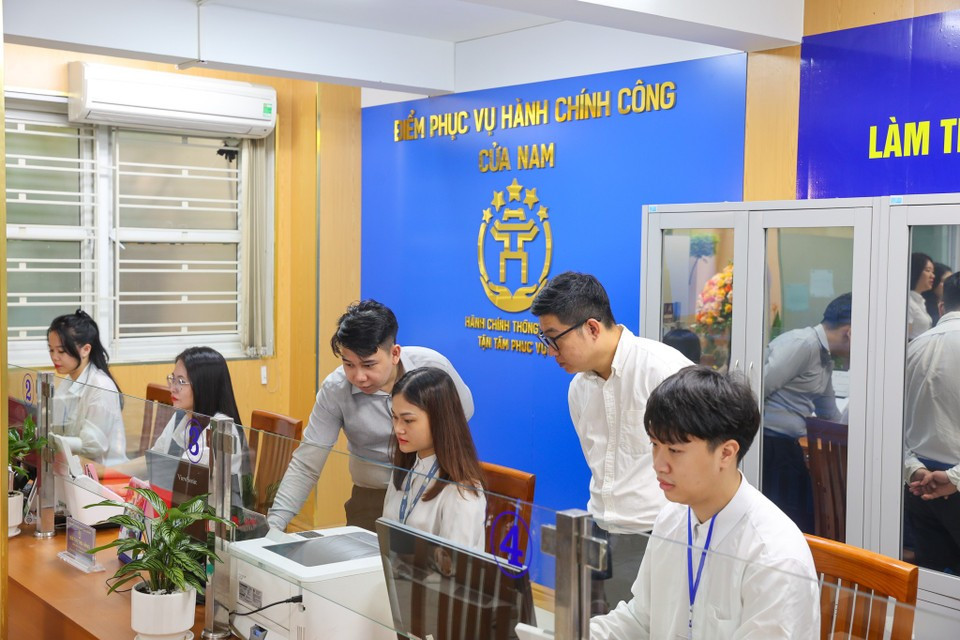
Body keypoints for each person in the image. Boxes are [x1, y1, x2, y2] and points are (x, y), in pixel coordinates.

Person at [590, 367, 820, 640]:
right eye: (654, 445)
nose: (658, 464)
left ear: (726, 452)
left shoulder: (774, 555)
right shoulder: (672, 517)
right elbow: (641, 619)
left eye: (674, 450)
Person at [531, 272, 693, 611]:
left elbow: (702, 461)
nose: (550, 352)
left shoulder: (663, 372)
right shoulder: (578, 388)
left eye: (553, 339)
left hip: (657, 535)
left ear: (591, 327)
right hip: (598, 530)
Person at [268, 300, 473, 532]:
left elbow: (460, 419)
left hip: (434, 491)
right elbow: (307, 463)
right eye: (348, 364)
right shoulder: (336, 389)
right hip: (371, 496)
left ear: (395, 353)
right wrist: (274, 526)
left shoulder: (433, 368)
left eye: (368, 364)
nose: (359, 376)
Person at [761, 293, 851, 533]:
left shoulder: (824, 357)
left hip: (785, 445)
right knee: (792, 520)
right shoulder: (804, 344)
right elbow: (757, 386)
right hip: (769, 445)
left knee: (803, 516)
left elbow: (828, 411)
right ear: (850, 332)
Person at [382, 367, 486, 550]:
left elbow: (453, 570)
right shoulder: (406, 467)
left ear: (440, 420)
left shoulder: (463, 492)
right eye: (395, 417)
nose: (398, 428)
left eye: (408, 420)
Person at [903, 272, 960, 573]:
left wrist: (914, 468)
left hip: (919, 484)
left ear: (941, 307)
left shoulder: (911, 348)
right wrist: (953, 478)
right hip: (951, 481)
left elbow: (891, 425)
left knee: (930, 587)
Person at [147, 346, 252, 505]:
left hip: (216, 522)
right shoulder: (182, 416)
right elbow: (156, 458)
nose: (172, 387)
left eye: (181, 381)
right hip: (185, 510)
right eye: (172, 379)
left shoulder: (222, 429)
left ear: (204, 385)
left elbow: (184, 476)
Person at [48, 309, 127, 466]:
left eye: (61, 351)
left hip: (104, 475)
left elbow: (93, 446)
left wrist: (54, 441)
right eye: (51, 349)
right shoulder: (68, 381)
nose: (54, 357)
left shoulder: (101, 386)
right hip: (76, 467)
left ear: (86, 349)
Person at [908, 252, 935, 340]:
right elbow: (906, 337)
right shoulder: (908, 302)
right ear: (916, 271)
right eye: (928, 270)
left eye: (933, 272)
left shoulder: (920, 301)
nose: (933, 276)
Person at [923, 262, 953, 326]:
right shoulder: (922, 305)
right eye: (945, 281)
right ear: (934, 282)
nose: (950, 285)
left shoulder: (953, 304)